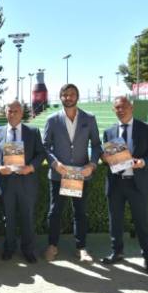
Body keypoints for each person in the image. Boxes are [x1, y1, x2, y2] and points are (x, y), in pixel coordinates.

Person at [101, 96, 148, 275]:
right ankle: (117, 252)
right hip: (116, 184)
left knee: (142, 223)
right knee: (115, 222)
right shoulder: (109, 132)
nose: (121, 110)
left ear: (131, 107)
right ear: (114, 110)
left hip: (137, 184)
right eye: (117, 107)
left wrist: (143, 162)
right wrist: (104, 158)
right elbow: (107, 159)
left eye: (124, 106)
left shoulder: (146, 128)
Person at [43, 83, 101, 262]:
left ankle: (81, 248)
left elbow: (97, 145)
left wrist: (92, 164)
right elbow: (45, 146)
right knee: (55, 212)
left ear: (77, 96)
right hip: (59, 174)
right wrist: (54, 163)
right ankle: (52, 246)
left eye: (72, 94)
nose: (68, 97)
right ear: (61, 97)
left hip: (80, 175)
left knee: (81, 212)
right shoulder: (52, 120)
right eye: (65, 94)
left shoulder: (89, 118)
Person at [0, 100, 46, 264]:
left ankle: (28, 250)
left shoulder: (32, 131)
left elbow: (41, 154)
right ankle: (9, 248)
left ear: (21, 113)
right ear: (5, 112)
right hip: (5, 182)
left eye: (15, 111)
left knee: (27, 218)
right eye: (9, 111)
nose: (12, 114)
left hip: (27, 182)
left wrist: (31, 167)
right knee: (9, 218)